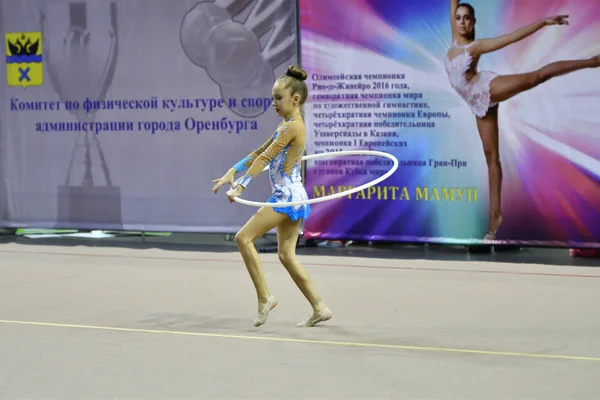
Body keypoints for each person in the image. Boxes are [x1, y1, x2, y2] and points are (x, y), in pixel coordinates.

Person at [445, 1, 600, 240]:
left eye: (467, 18)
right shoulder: (455, 37)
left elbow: (511, 37)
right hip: (476, 104)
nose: (462, 22)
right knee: (491, 158)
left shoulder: (475, 47)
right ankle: (495, 218)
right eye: (458, 18)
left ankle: (592, 61)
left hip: (485, 88)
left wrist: (543, 23)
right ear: (454, 20)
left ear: (473, 22)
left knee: (536, 77)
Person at [211, 65, 332, 328]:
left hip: (286, 196)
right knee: (286, 256)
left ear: (295, 99)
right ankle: (319, 307)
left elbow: (266, 158)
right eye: (273, 97)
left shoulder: (293, 127)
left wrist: (241, 187)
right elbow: (260, 151)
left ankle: (265, 297)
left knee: (243, 238)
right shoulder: (286, 125)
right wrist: (232, 171)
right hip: (294, 195)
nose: (273, 103)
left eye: (278, 98)